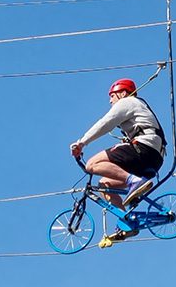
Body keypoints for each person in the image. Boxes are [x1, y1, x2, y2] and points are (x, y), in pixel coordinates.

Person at [69, 77, 165, 210]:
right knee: (104, 184)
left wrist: (81, 143)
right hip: (155, 158)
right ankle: (126, 222)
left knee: (91, 164)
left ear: (123, 93)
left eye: (113, 96)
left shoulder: (128, 102)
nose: (110, 100)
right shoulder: (139, 106)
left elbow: (106, 123)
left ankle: (134, 181)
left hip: (144, 148)